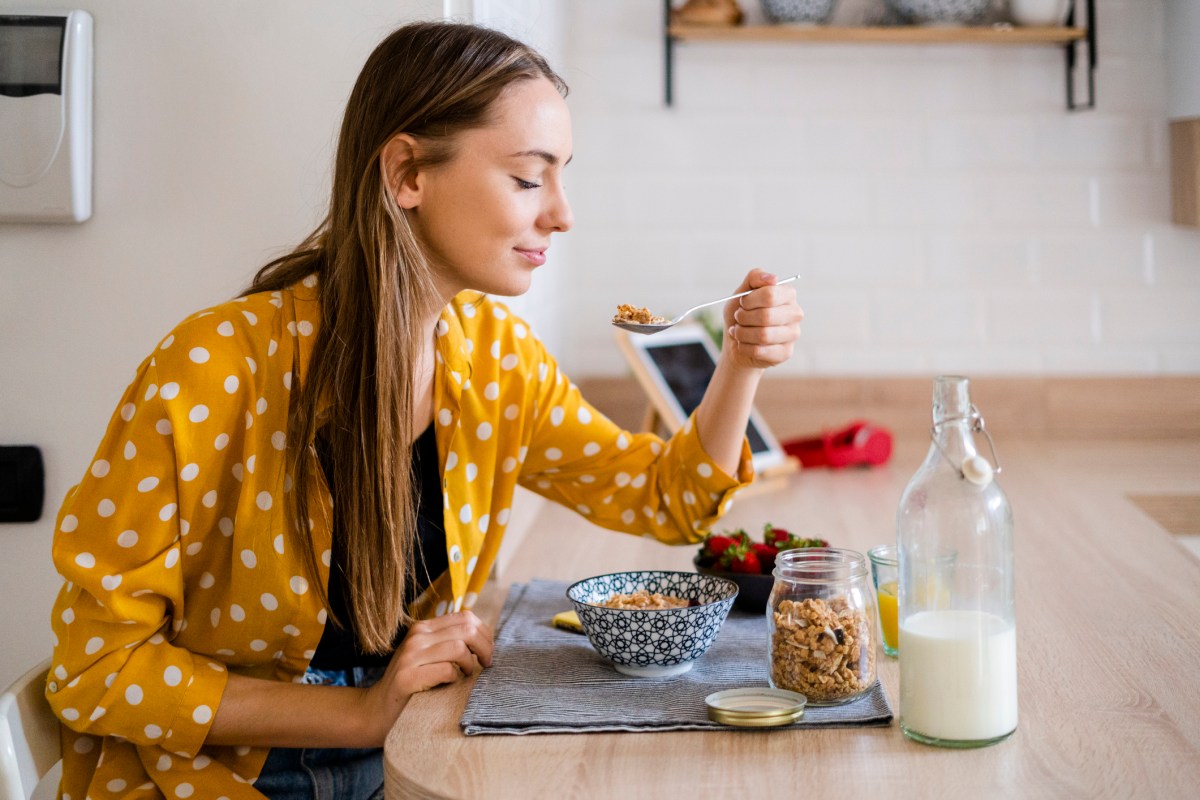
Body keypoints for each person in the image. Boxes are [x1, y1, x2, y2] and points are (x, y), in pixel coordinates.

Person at [45, 20, 803, 800]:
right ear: (408, 172)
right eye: (527, 178)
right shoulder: (213, 369)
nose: (561, 214)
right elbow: (97, 667)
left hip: (415, 749)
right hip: (215, 775)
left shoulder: (497, 360)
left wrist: (740, 365)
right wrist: (360, 714)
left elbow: (665, 500)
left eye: (561, 176)